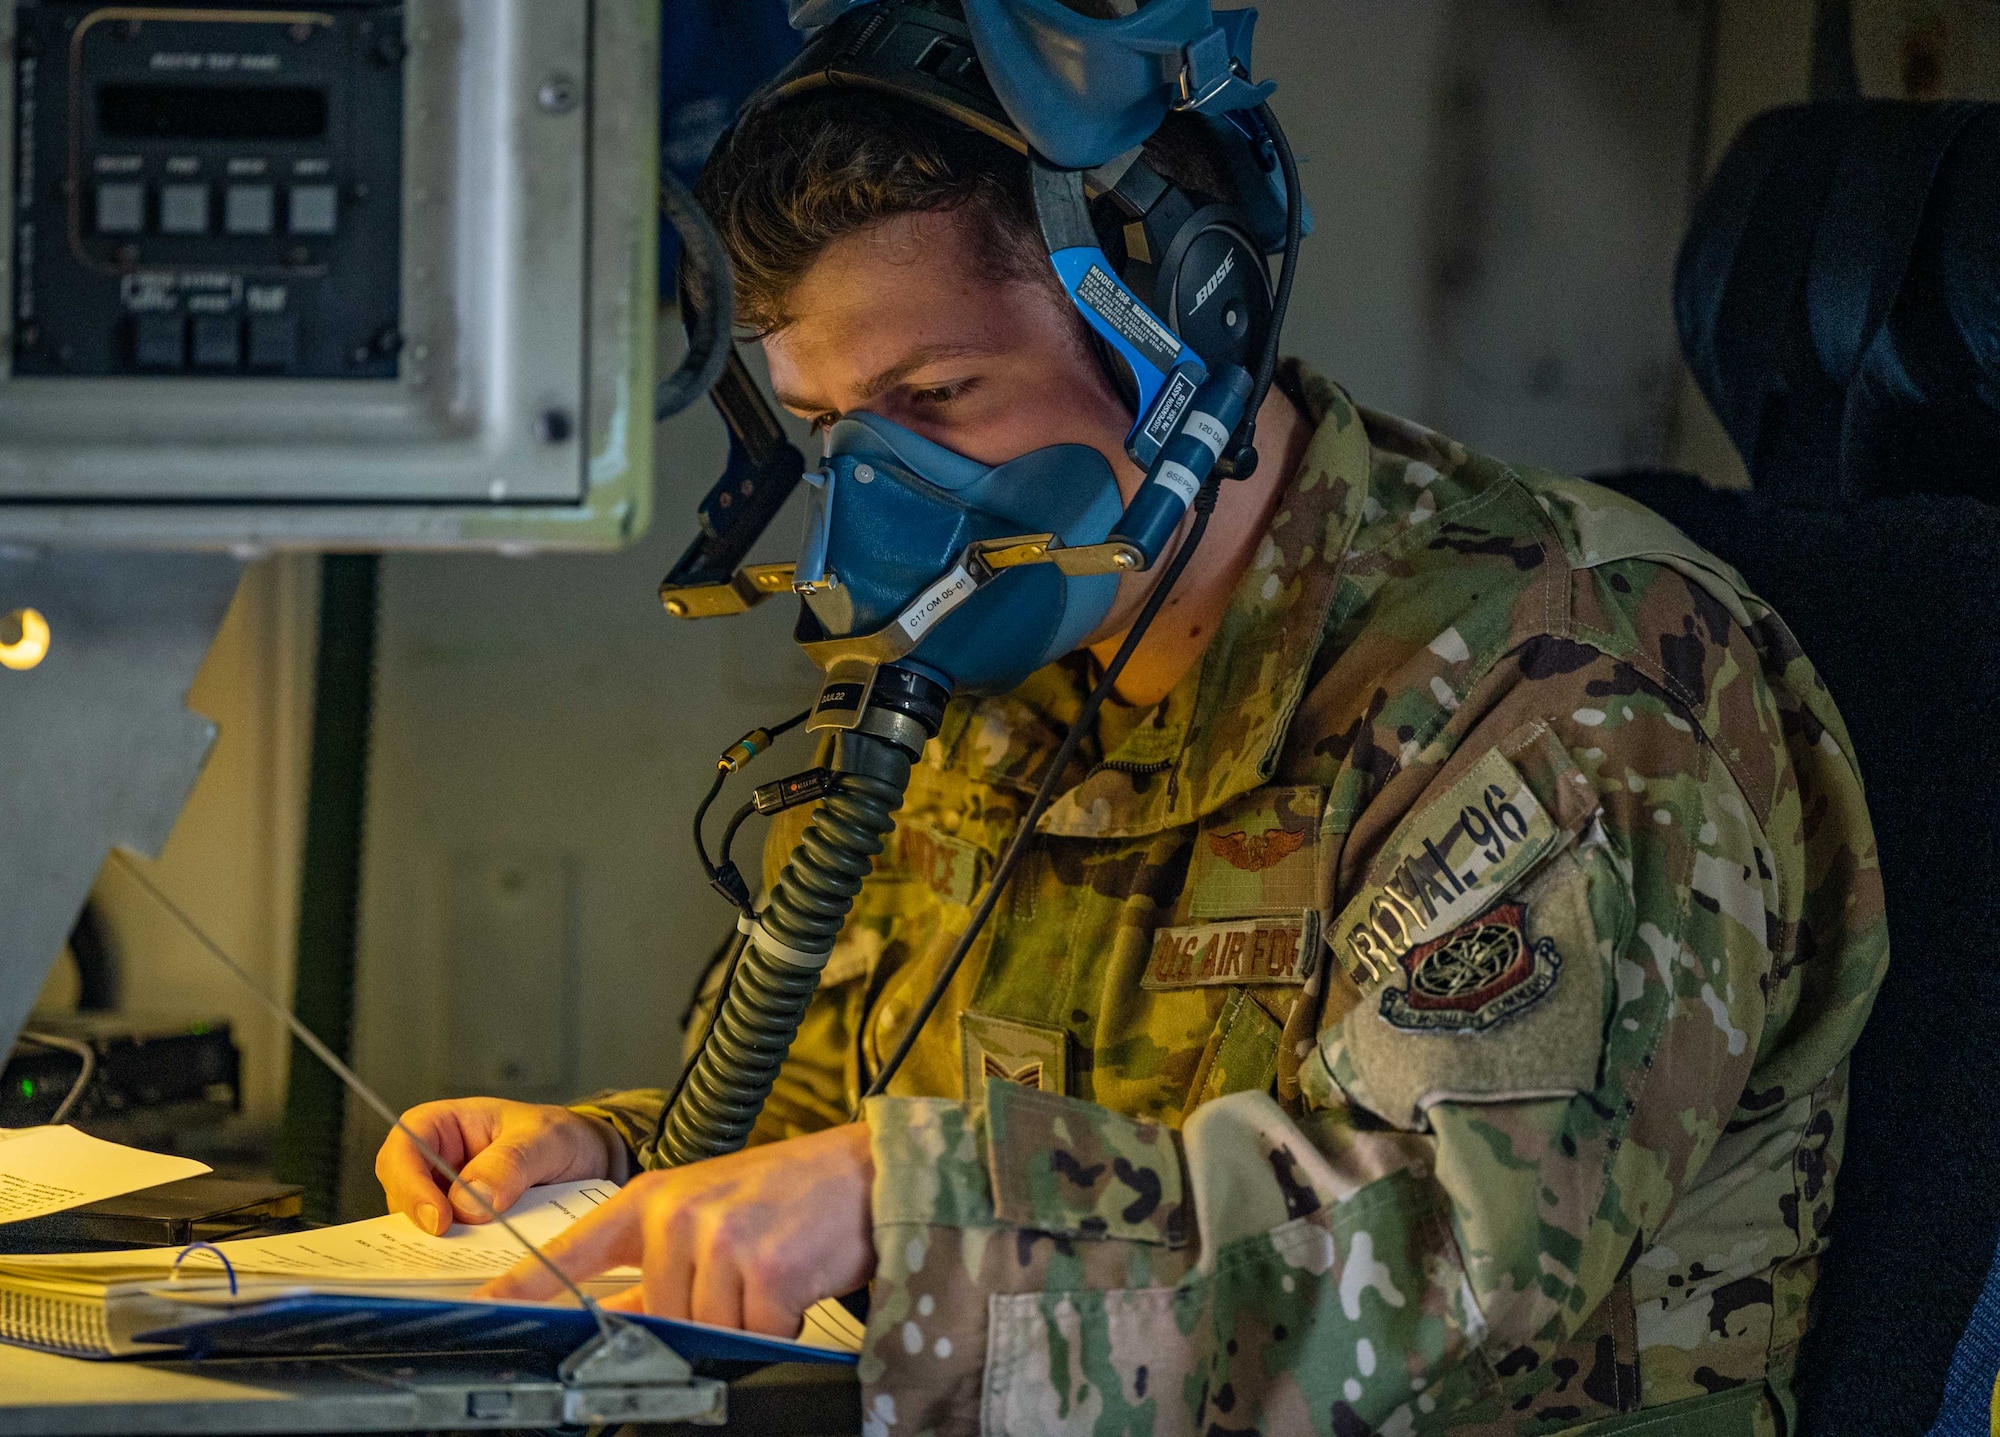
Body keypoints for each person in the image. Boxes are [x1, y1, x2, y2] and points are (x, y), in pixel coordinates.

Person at [374, 82, 1886, 1436]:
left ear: (1187, 336)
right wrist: (611, 1165)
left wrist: (903, 1210)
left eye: (937, 401)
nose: (882, 498)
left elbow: (1458, 1272)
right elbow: (839, 1117)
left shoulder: (1561, 678)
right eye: (831, 427)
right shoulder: (1011, 661)